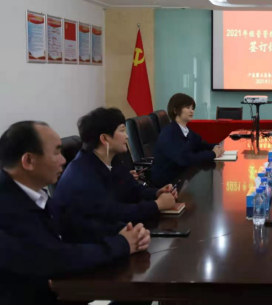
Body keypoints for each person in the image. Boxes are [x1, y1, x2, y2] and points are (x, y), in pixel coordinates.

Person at [0, 121, 150, 305]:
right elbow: (57, 258)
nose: (63, 160)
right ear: (28, 161)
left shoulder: (34, 194)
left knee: (139, 295)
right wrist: (122, 244)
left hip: (60, 292)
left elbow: (73, 222)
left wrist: (122, 231)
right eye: (56, 152)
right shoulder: (6, 208)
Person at [54, 108, 178, 243]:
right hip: (89, 245)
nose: (127, 136)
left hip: (111, 236)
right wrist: (157, 205)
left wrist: (157, 193)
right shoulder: (83, 174)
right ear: (104, 139)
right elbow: (115, 212)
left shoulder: (111, 159)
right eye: (122, 130)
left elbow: (132, 189)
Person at [152, 93, 224, 187]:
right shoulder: (169, 133)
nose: (191, 111)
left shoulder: (186, 130)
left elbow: (201, 144)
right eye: (187, 107)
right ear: (175, 110)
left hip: (183, 177)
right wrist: (213, 154)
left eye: (192, 108)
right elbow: (184, 159)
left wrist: (216, 146)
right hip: (168, 183)